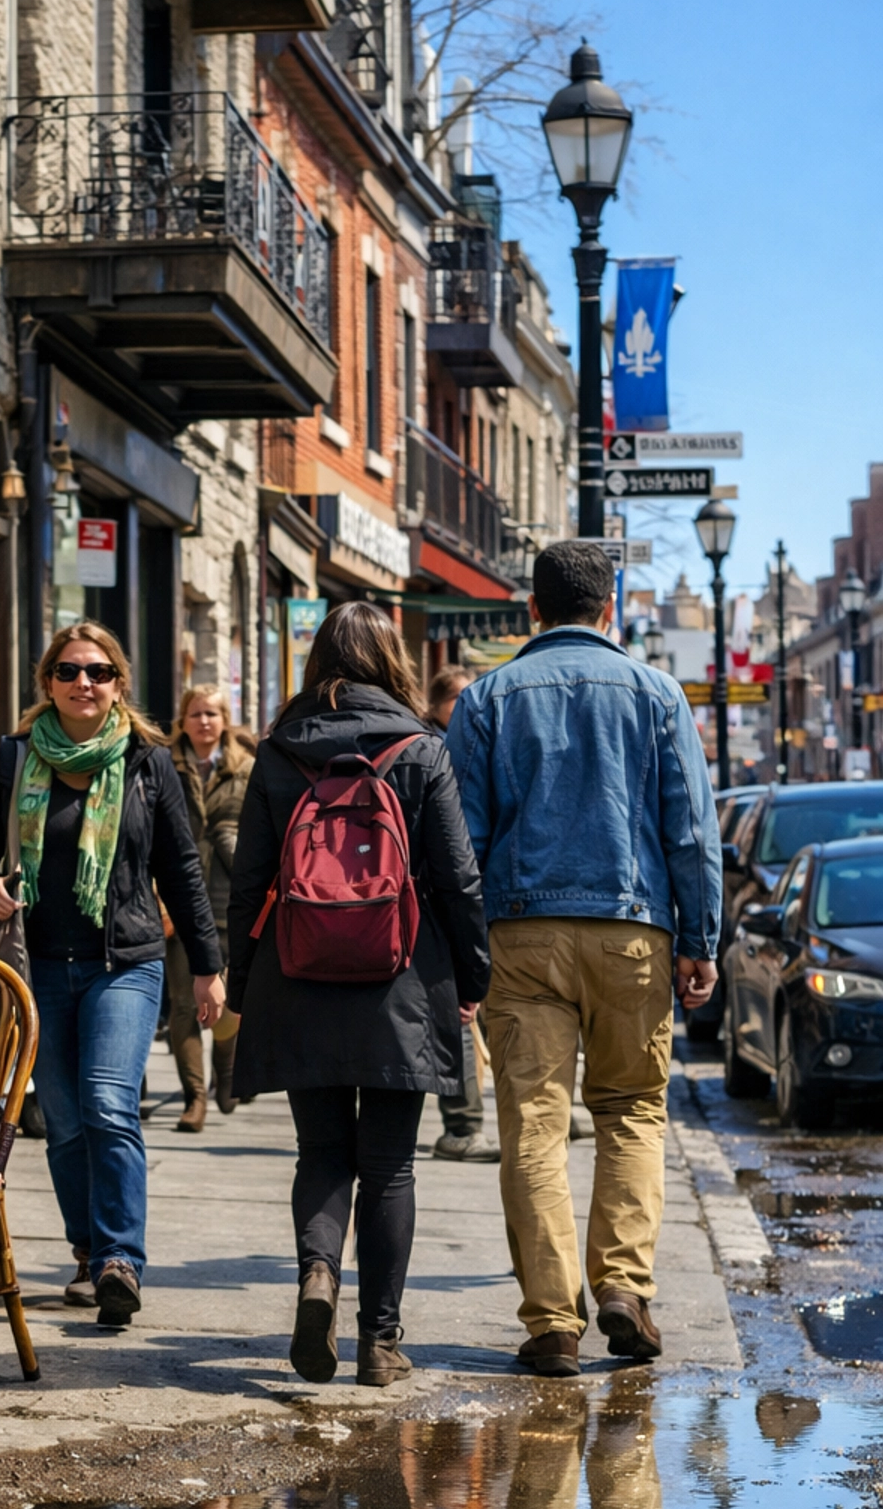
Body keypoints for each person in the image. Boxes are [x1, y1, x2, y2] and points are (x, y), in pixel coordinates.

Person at [446, 539, 721, 1377]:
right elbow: (690, 831)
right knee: (633, 1109)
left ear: (531, 610)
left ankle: (553, 1323)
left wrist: (463, 951)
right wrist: (700, 939)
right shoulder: (659, 695)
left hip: (520, 934)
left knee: (531, 1123)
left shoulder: (487, 697)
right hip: (633, 932)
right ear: (610, 611)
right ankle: (625, 1290)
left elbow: (463, 841)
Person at [228, 602, 489, 1387]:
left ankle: (317, 1277)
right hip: (400, 981)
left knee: (320, 1152)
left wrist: (246, 984)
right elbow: (456, 877)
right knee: (391, 1167)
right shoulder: (421, 748)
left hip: (300, 973)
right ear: (391, 661)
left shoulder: (279, 751)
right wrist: (472, 978)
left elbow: (248, 881)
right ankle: (380, 1341)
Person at [0, 619, 223, 1324]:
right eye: (70, 671)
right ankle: (85, 1250)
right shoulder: (12, 759)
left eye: (98, 673)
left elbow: (181, 867)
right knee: (67, 1122)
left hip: (124, 962)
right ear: (48, 681)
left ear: (118, 684)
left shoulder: (146, 760)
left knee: (108, 1104)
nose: (84, 684)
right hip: (36, 963)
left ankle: (119, 1260)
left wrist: (208, 966)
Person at [167, 684, 253, 1131]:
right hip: (178, 898)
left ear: (225, 721)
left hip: (228, 898)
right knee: (183, 1005)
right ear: (183, 720)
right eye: (195, 714)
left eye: (212, 715)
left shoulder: (246, 769)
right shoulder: (164, 765)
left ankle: (227, 1069)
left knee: (228, 1005)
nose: (203, 722)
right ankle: (193, 1097)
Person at [423, 666, 499, 1166]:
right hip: (448, 900)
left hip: (471, 899)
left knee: (482, 1014)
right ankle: (464, 1125)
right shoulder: (435, 746)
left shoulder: (457, 741)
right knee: (462, 1013)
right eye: (462, 701)